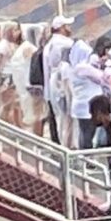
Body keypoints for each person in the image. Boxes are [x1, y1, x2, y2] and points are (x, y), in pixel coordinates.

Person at [43, 15, 75, 144]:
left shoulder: (49, 44)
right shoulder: (64, 43)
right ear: (62, 28)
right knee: (67, 119)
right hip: (61, 83)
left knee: (60, 119)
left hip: (53, 84)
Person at [68, 39, 105, 149]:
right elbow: (102, 77)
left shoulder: (74, 68)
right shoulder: (83, 68)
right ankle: (88, 159)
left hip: (80, 104)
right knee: (87, 134)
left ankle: (85, 158)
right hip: (87, 106)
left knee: (84, 133)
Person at [12, 23, 46, 135]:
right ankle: (38, 139)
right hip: (31, 87)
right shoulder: (27, 48)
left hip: (29, 87)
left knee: (34, 114)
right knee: (37, 115)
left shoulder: (24, 48)